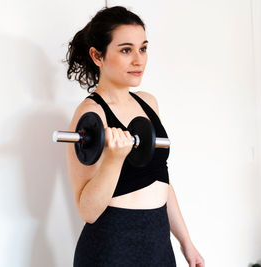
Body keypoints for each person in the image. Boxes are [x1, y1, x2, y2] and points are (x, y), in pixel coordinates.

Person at [64, 6, 205, 267]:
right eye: (126, 50)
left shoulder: (149, 103)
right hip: (112, 245)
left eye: (143, 48)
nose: (139, 60)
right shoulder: (90, 114)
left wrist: (187, 243)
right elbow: (88, 211)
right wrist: (114, 160)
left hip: (158, 243)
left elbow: (161, 179)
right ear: (98, 56)